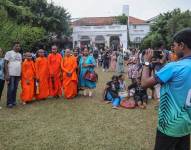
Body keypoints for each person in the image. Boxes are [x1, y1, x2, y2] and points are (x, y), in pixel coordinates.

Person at [141, 28, 191, 150]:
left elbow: (144, 83)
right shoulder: (175, 66)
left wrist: (146, 63)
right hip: (187, 124)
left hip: (169, 125)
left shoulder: (174, 67)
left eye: (174, 46)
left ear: (182, 45)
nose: (172, 49)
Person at [4, 42, 22, 108]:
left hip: (17, 74)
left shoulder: (20, 54)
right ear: (13, 46)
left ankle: (13, 101)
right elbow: (5, 63)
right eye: (16, 46)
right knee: (10, 88)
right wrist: (7, 73)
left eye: (19, 46)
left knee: (15, 88)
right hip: (11, 74)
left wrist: (20, 74)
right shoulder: (9, 53)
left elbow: (20, 64)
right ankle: (9, 103)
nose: (18, 47)